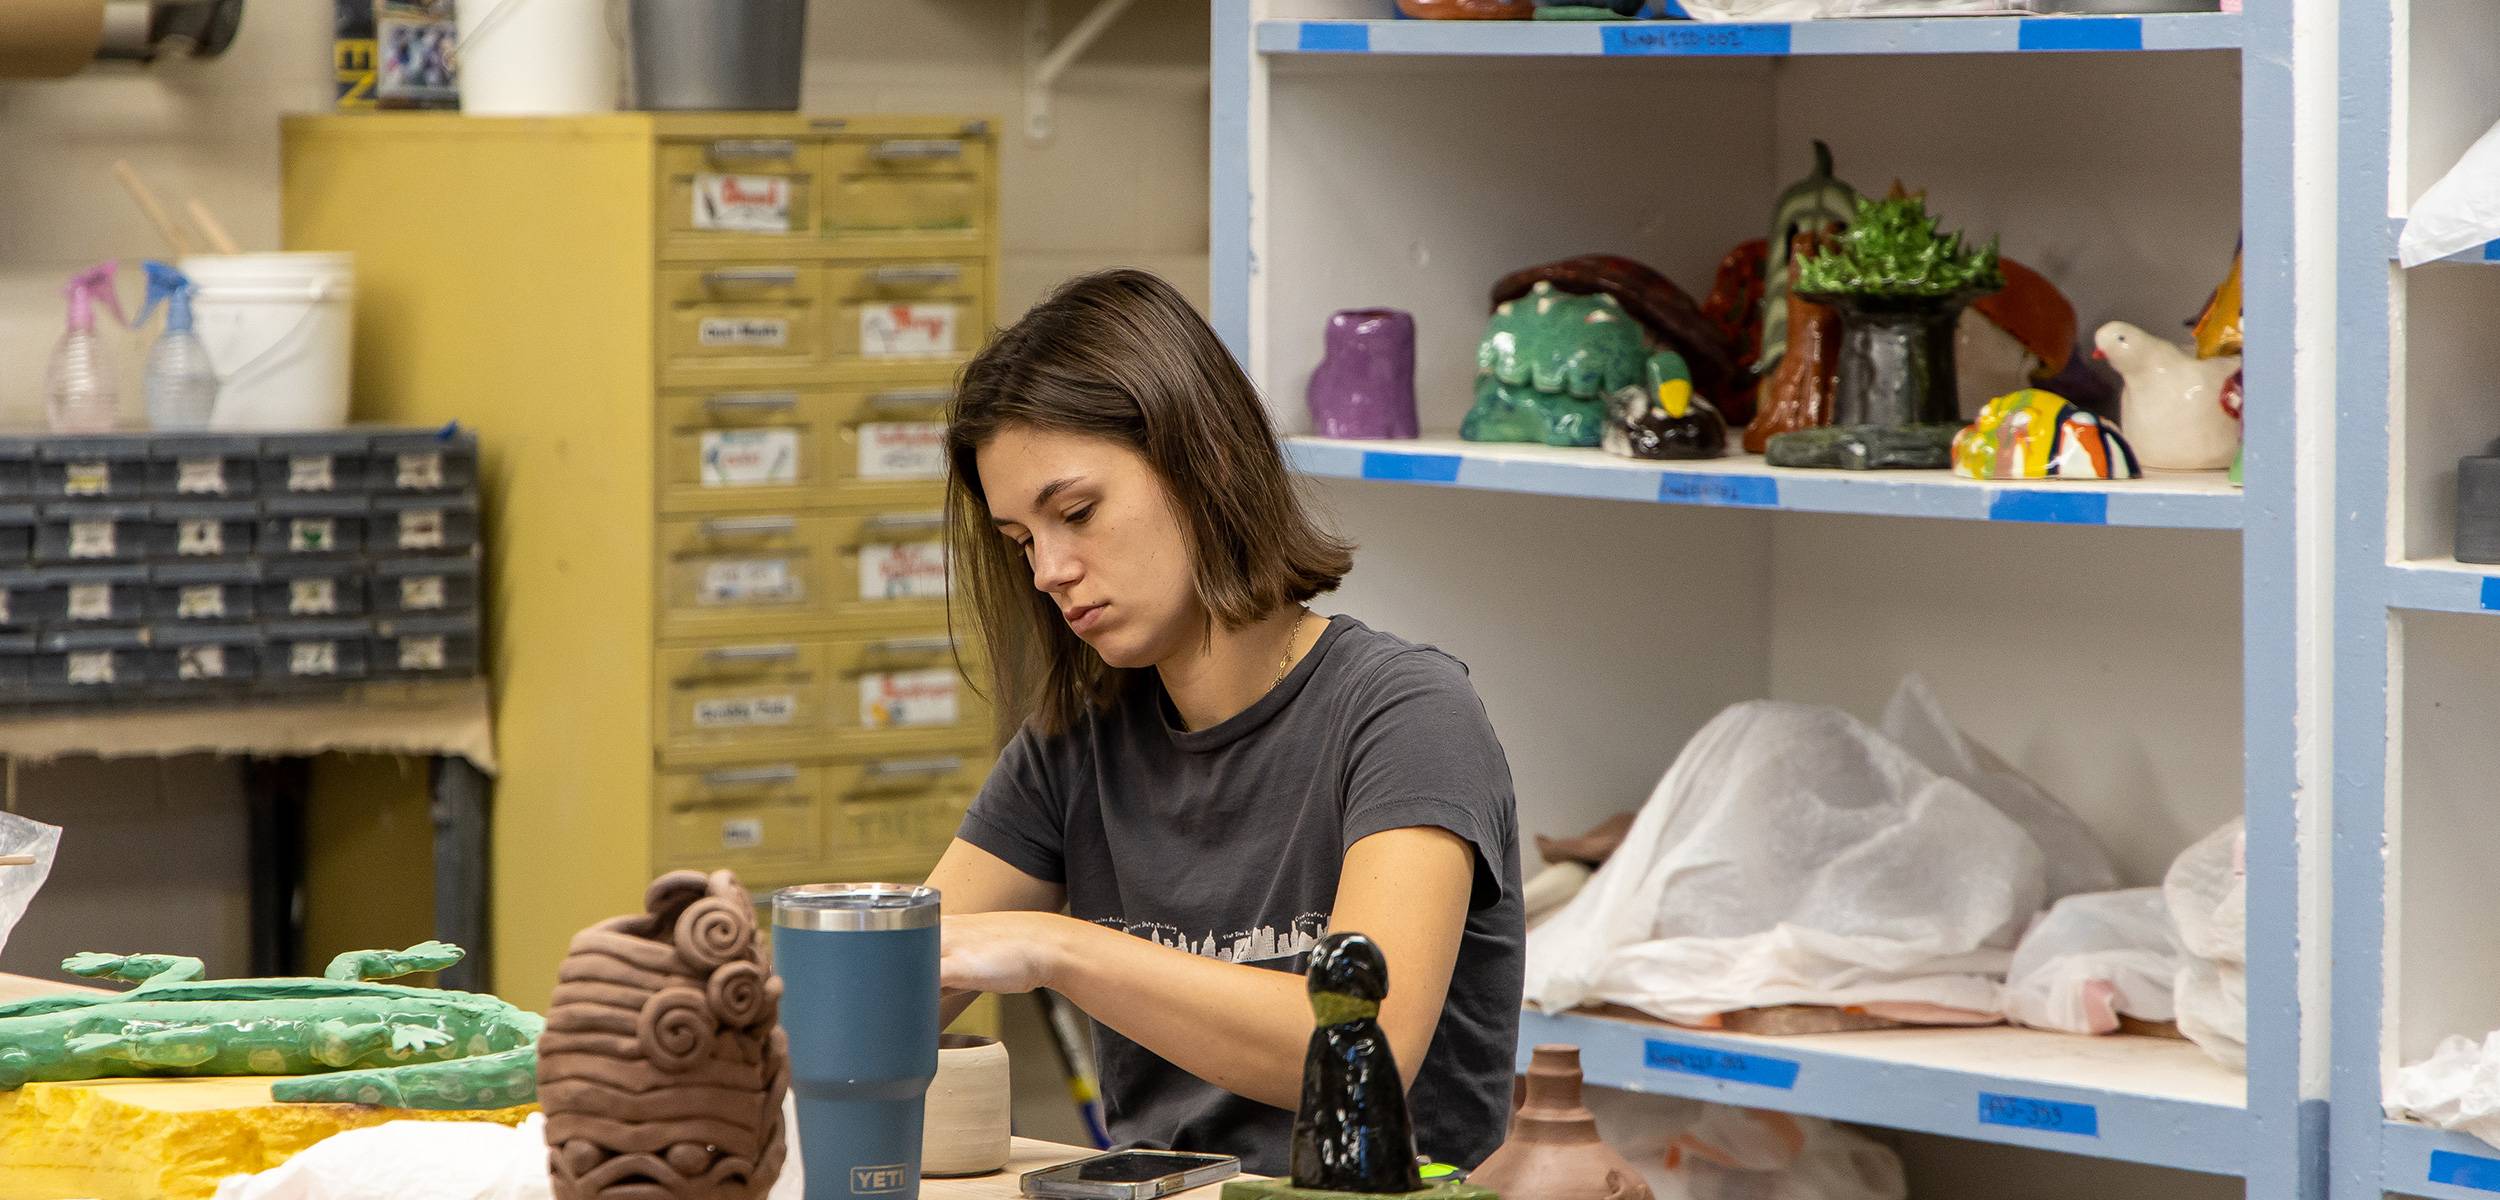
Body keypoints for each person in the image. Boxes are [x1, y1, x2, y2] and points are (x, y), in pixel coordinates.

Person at [925, 269, 1525, 1175]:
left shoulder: (1407, 716)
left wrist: (1056, 946)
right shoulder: (1071, 745)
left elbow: (1358, 1049)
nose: (1049, 569)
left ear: (1202, 461)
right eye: (1022, 542)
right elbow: (888, 995)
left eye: (1077, 514)